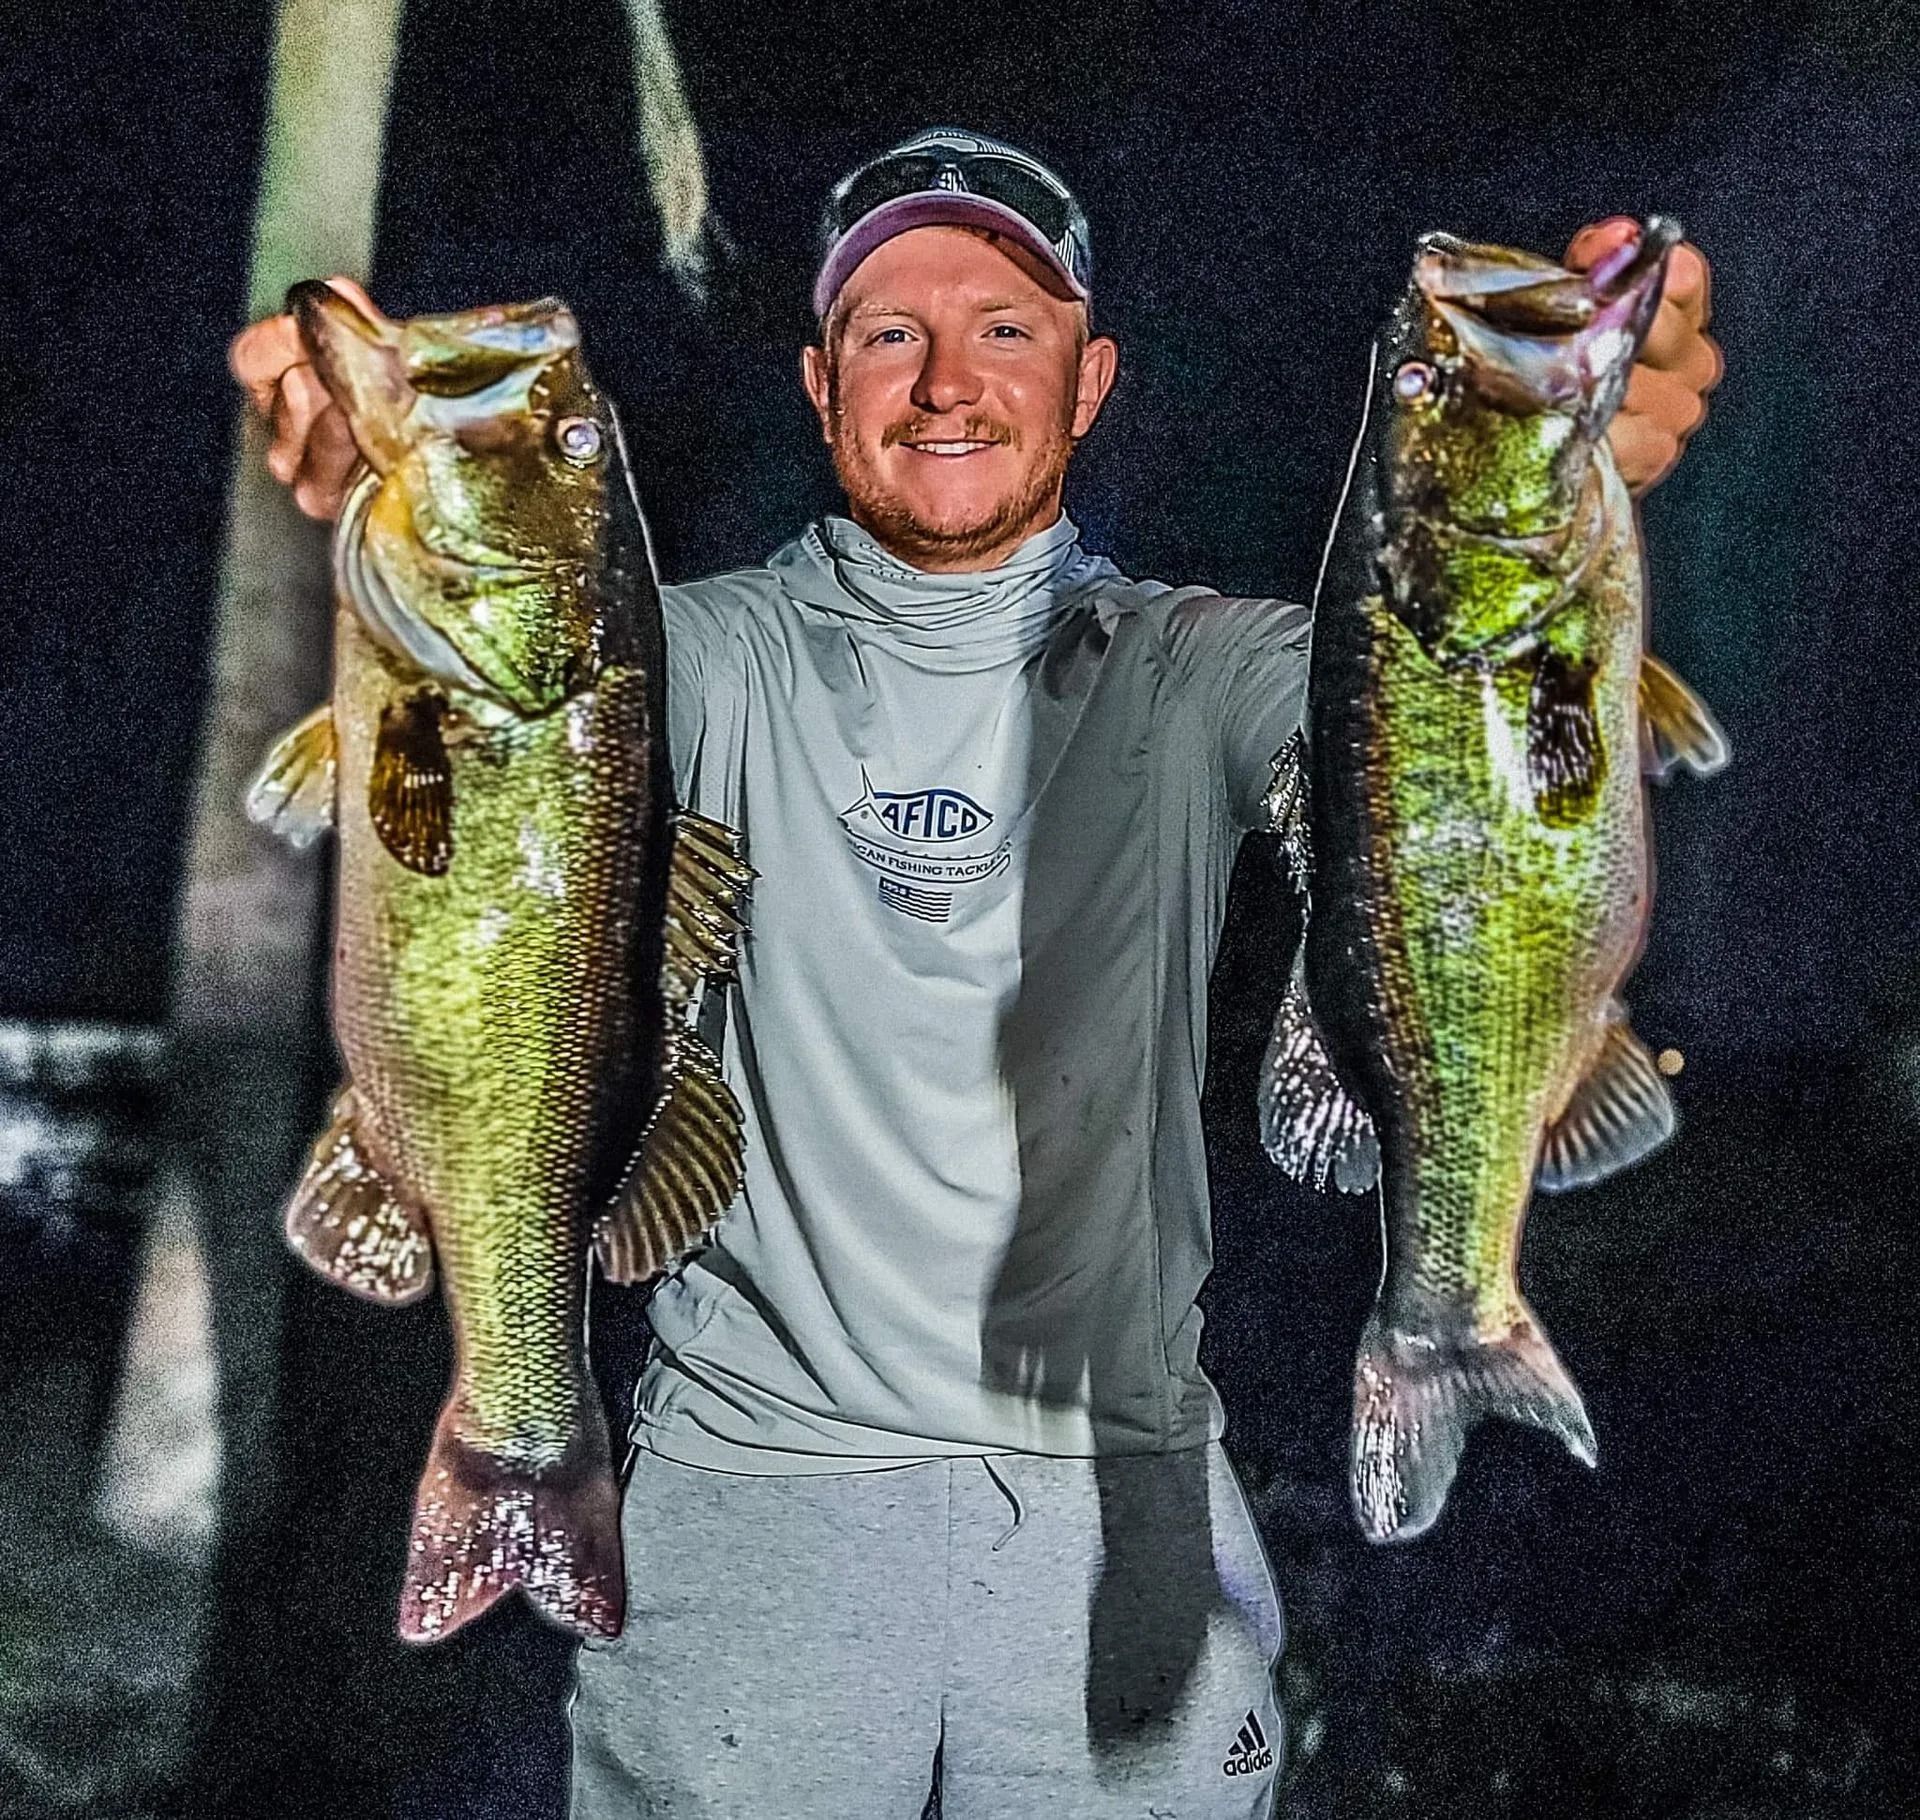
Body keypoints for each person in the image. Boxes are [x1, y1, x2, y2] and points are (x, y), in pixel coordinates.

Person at [232, 126, 1721, 1820]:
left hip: (1123, 1519)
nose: (948, 380)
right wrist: (372, 475)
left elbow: (1432, 704)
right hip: (745, 1521)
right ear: (819, 381)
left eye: (1008, 329)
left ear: (1091, 384)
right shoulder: (679, 656)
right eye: (890, 331)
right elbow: (508, 654)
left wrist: (1611, 431)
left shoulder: (1199, 668)